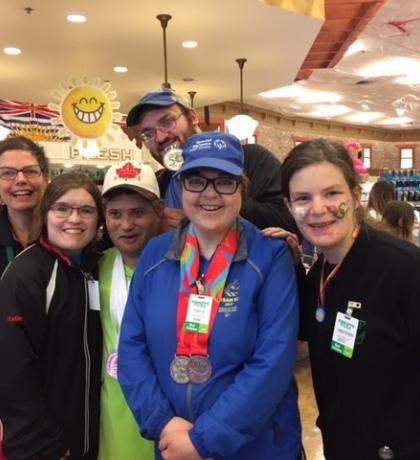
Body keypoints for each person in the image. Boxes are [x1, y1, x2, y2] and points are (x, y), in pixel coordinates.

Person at [118, 132, 302, 460]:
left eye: (224, 182)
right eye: (196, 181)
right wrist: (163, 424)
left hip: (254, 446)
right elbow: (131, 347)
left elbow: (273, 361)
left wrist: (204, 440)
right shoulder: (155, 255)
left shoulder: (271, 257)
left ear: (242, 189)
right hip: (174, 443)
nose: (209, 194)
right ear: (181, 186)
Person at [269, 138, 420, 460]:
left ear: (355, 195)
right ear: (288, 206)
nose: (318, 209)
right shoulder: (318, 274)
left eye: (332, 193)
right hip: (341, 445)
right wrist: (288, 267)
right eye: (303, 198)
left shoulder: (404, 270)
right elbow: (304, 331)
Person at [0, 173, 103, 459]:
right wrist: (47, 444)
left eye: (86, 210)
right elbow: (11, 373)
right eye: (62, 208)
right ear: (46, 214)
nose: (74, 219)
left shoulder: (97, 266)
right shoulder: (28, 274)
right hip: (45, 446)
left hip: (88, 437)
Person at [125, 87, 299, 233]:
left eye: (168, 121)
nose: (160, 137)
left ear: (192, 117)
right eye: (148, 133)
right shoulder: (159, 183)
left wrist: (221, 206)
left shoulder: (252, 159)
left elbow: (291, 223)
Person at [98, 160, 164, 460]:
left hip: (168, 420)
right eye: (115, 214)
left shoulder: (182, 267)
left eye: (137, 212)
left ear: (159, 211)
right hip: (111, 421)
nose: (125, 225)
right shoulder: (94, 267)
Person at [0, 136, 49, 273]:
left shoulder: (64, 232)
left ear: (46, 178)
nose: (20, 180)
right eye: (8, 173)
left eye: (30, 171)